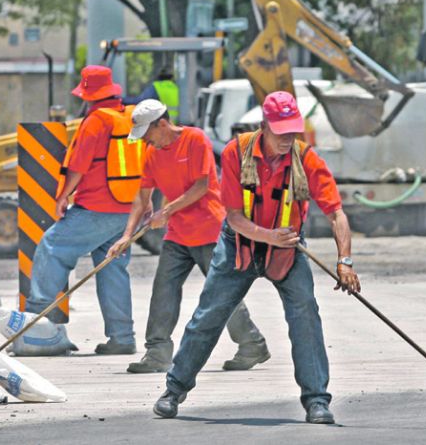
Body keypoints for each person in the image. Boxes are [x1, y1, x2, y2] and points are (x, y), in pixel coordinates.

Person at [152, 91, 361, 424]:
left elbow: (336, 213)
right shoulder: (237, 152)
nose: (286, 138)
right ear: (264, 125)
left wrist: (344, 262)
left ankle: (317, 401)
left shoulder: (305, 158)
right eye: (280, 131)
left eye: (292, 130)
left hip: (287, 250)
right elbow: (233, 216)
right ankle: (173, 390)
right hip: (240, 246)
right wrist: (268, 236)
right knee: (208, 317)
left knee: (306, 315)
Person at [107, 99, 270, 374]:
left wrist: (166, 210)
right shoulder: (151, 153)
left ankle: (252, 343)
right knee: (164, 290)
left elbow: (201, 186)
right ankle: (157, 352)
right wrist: (126, 236)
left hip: (209, 229)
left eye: (148, 133)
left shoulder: (195, 140)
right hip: (178, 235)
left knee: (221, 293)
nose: (147, 140)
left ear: (162, 123)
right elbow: (141, 198)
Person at [25, 65, 143, 355]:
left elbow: (77, 165)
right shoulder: (130, 117)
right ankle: (122, 337)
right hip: (129, 210)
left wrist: (63, 196)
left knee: (52, 247)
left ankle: (33, 322)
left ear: (88, 95)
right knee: (112, 268)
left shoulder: (95, 121)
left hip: (96, 208)